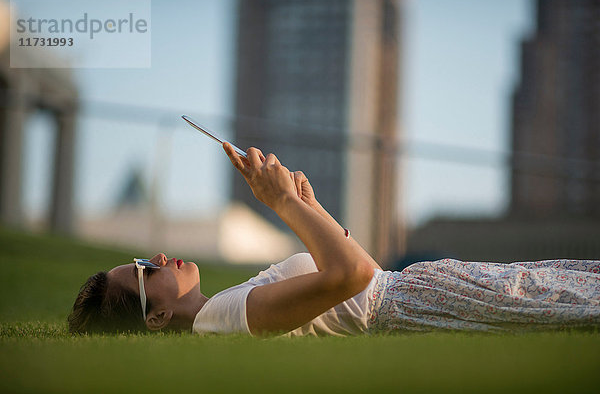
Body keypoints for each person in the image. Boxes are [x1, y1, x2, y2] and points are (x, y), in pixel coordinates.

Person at [68, 143, 600, 336]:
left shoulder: (227, 306)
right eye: (144, 272)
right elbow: (356, 280)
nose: (157, 258)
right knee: (566, 301)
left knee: (562, 287)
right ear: (155, 317)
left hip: (414, 288)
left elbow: (354, 271)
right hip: (416, 303)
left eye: (144, 260)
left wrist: (309, 206)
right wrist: (281, 204)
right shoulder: (225, 319)